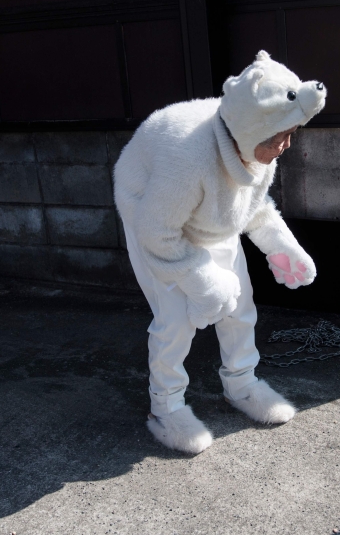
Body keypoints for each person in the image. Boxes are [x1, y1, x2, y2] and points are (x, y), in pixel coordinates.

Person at [113, 51, 326, 454]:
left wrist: (279, 244)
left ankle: (242, 383)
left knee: (240, 300)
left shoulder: (259, 135)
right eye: (278, 137)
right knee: (175, 317)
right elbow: (156, 233)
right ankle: (166, 407)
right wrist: (202, 281)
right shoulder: (186, 156)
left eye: (291, 133)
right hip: (152, 213)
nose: (285, 146)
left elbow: (252, 206)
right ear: (249, 132)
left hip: (203, 211)